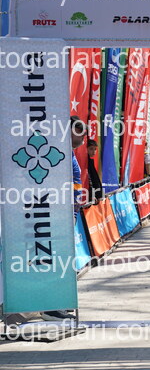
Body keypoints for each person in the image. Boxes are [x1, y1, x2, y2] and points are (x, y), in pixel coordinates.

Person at [41, 116, 85, 321]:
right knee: (56, 259)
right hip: (58, 213)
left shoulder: (69, 152)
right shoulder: (58, 151)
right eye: (79, 133)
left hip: (67, 213)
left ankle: (58, 300)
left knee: (63, 260)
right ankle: (50, 307)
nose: (83, 138)